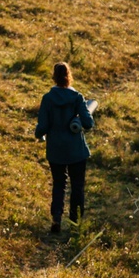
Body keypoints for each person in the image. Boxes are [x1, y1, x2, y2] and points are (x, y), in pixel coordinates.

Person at [35, 61, 95, 234]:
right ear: (69, 76)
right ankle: (75, 224)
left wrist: (38, 135)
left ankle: (56, 220)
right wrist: (77, 119)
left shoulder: (47, 99)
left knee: (59, 185)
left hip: (55, 150)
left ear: (54, 77)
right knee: (77, 186)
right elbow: (89, 123)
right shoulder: (77, 97)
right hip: (76, 150)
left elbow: (42, 127)